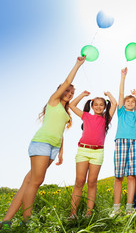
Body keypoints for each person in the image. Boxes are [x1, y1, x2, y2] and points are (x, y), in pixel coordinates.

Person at [0, 56, 86, 229]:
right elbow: (68, 80)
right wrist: (77, 64)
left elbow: (61, 133)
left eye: (72, 93)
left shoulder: (65, 112)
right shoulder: (53, 101)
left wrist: (61, 152)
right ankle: (27, 220)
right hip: (41, 143)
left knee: (29, 182)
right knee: (36, 181)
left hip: (53, 148)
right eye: (67, 91)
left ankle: (6, 221)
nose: (69, 94)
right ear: (60, 91)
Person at [68, 91, 117, 218]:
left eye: (101, 105)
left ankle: (88, 214)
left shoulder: (106, 119)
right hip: (83, 151)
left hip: (97, 153)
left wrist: (108, 94)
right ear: (92, 106)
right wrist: (82, 95)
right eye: (96, 105)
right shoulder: (86, 116)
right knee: (79, 181)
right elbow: (72, 105)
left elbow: (115, 103)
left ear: (105, 107)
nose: (99, 107)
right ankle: (73, 213)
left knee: (92, 182)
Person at [111, 68, 136, 216]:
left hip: (134, 143)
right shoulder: (121, 111)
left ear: (135, 105)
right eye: (127, 101)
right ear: (124, 103)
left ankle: (129, 208)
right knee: (119, 176)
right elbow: (121, 94)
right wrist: (123, 77)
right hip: (121, 142)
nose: (129, 102)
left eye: (132, 101)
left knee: (131, 176)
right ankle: (116, 209)